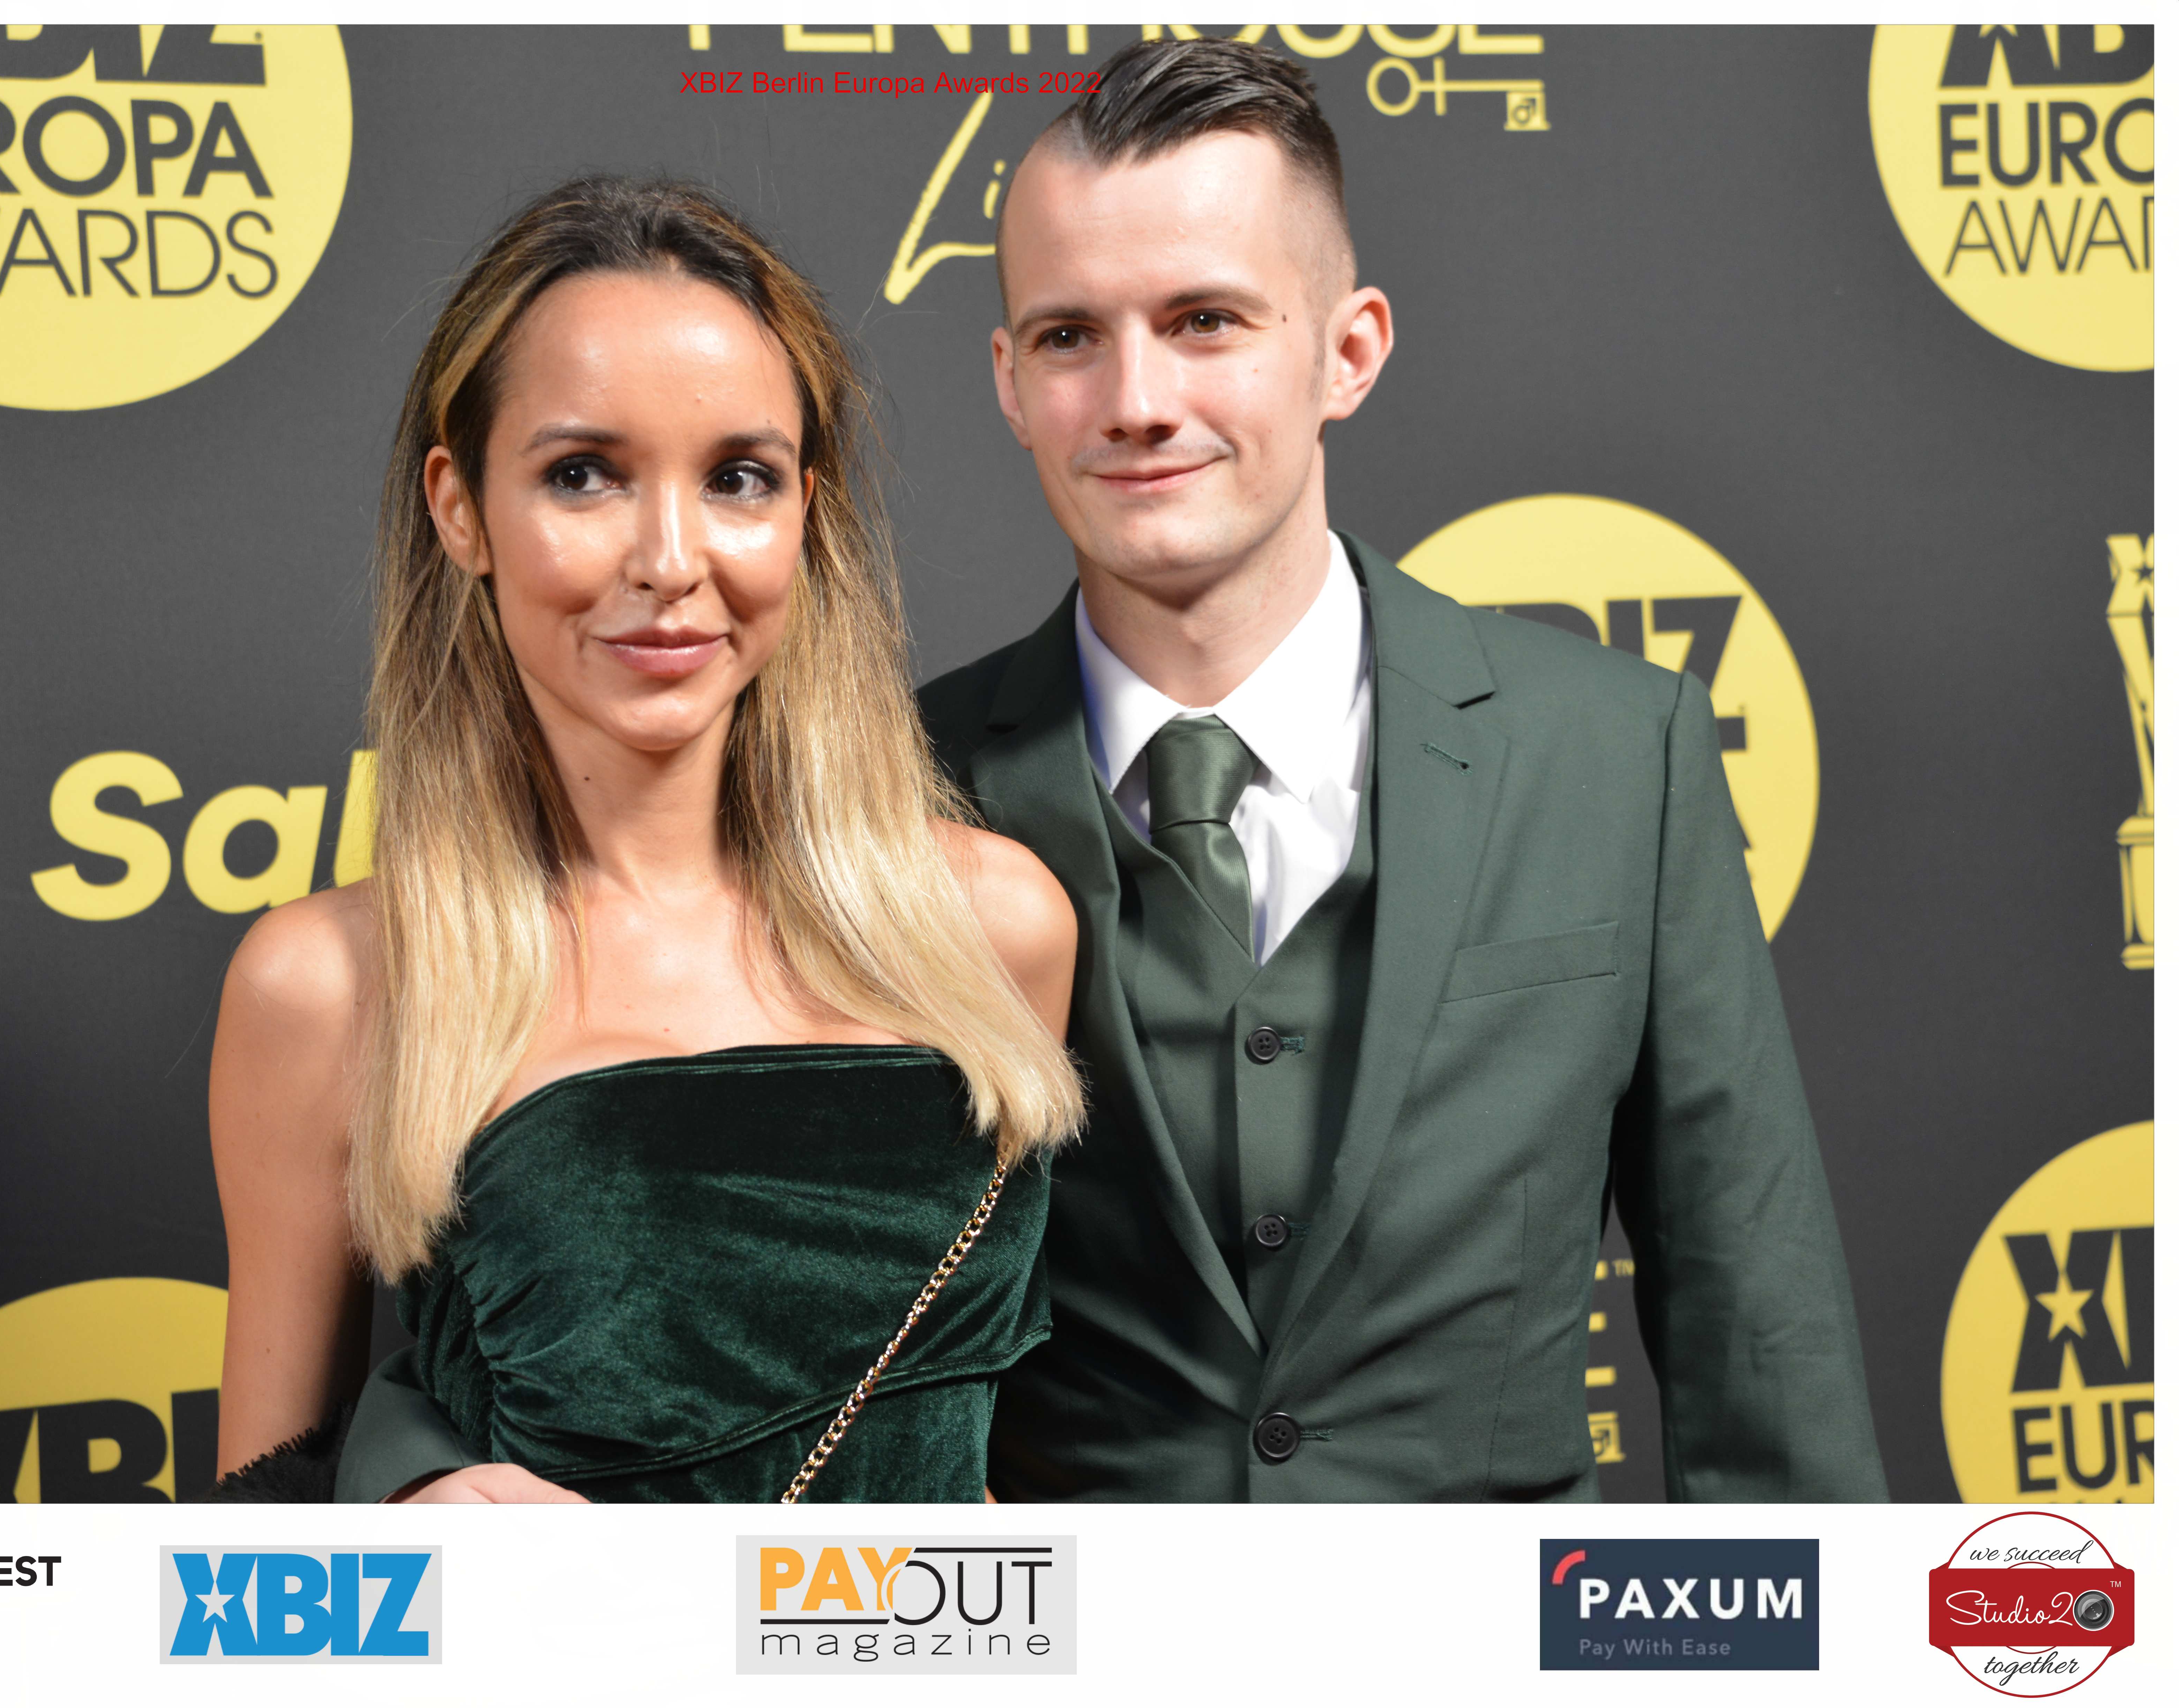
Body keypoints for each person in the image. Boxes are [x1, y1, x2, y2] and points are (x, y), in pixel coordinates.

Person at [339, 38, 1887, 1501]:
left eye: (1206, 321)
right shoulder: (882, 810)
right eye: (1072, 337)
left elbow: (1758, 1331)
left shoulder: (1617, 753)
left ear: (1348, 351)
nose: (1139, 402)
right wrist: (408, 1466)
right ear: (1010, 380)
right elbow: (628, 1285)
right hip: (1033, 1640)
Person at [207, 176, 1084, 1504]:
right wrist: (406, 1506)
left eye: (738, 479)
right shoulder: (330, 987)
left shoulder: (994, 928)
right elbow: (251, 1558)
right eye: (583, 476)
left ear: (805, 512)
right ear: (459, 509)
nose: (671, 559)